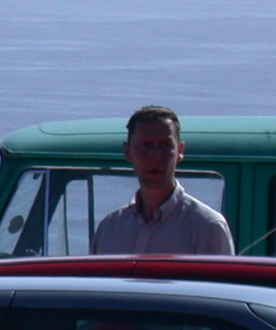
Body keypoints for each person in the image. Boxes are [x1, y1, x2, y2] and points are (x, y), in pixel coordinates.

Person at [93, 105, 234, 255]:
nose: (155, 156)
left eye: (165, 146)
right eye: (146, 145)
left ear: (180, 151)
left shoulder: (206, 227)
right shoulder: (109, 228)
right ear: (128, 152)